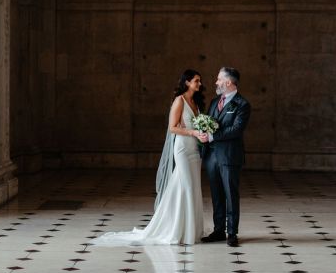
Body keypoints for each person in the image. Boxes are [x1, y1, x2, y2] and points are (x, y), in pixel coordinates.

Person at [91, 69, 207, 246]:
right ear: (187, 83)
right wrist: (193, 132)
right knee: (187, 186)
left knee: (193, 187)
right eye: (196, 81)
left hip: (194, 150)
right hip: (183, 148)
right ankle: (178, 230)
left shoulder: (196, 102)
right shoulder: (180, 101)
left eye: (199, 81)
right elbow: (172, 128)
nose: (199, 83)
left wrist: (202, 134)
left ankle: (190, 229)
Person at [198, 67, 251, 247]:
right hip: (212, 156)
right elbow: (209, 122)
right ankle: (218, 230)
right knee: (216, 195)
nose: (216, 82)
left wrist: (213, 136)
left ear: (228, 82)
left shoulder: (242, 104)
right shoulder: (214, 102)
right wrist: (203, 133)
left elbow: (236, 130)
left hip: (229, 157)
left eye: (219, 79)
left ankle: (232, 233)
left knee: (230, 195)